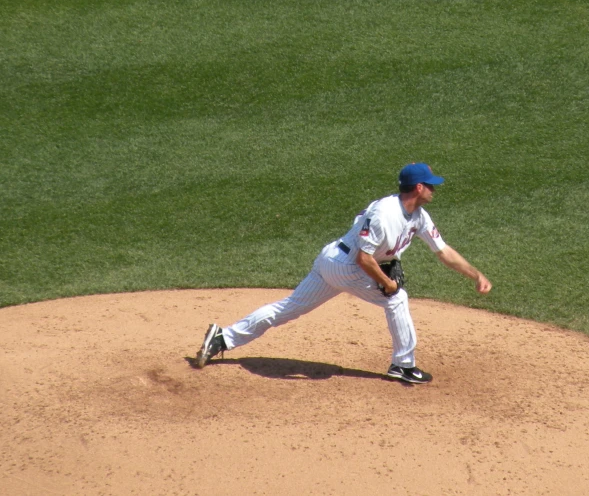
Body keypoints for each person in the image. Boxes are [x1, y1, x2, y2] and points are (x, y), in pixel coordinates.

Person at [195, 163, 492, 383]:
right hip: (345, 265)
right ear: (417, 188)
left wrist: (475, 274)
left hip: (334, 261)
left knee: (290, 308)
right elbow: (364, 259)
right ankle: (403, 364)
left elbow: (443, 251)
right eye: (430, 184)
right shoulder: (385, 215)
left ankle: (222, 338)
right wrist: (387, 283)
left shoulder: (419, 216)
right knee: (396, 299)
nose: (434, 188)